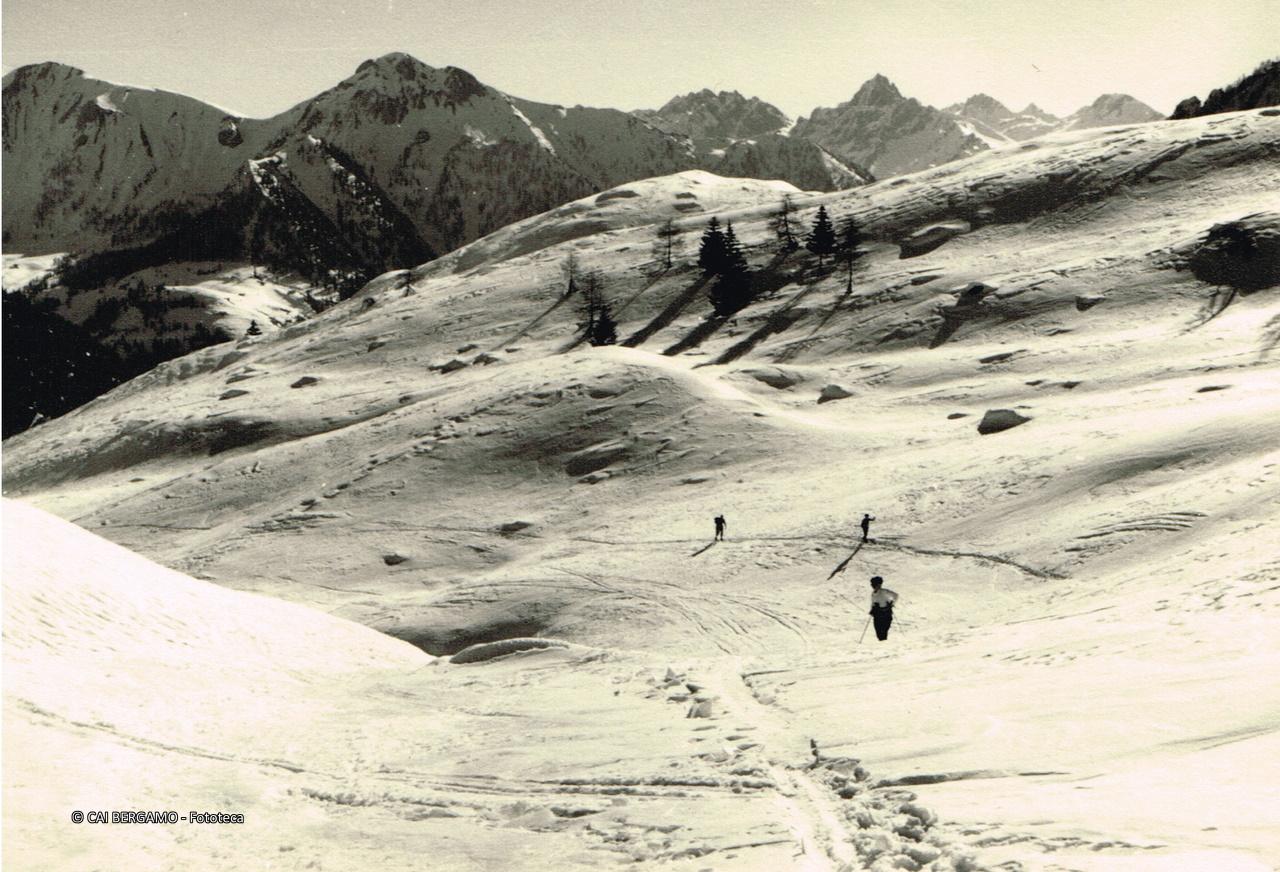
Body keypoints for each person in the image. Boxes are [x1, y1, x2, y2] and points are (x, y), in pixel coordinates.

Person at [868, 576, 898, 641]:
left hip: (885, 613)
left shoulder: (884, 591)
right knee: (878, 630)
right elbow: (873, 602)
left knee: (884, 629)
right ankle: (881, 641)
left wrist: (891, 604)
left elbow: (895, 595)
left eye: (874, 585)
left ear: (879, 585)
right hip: (877, 614)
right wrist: (872, 609)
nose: (873, 586)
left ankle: (884, 641)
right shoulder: (873, 594)